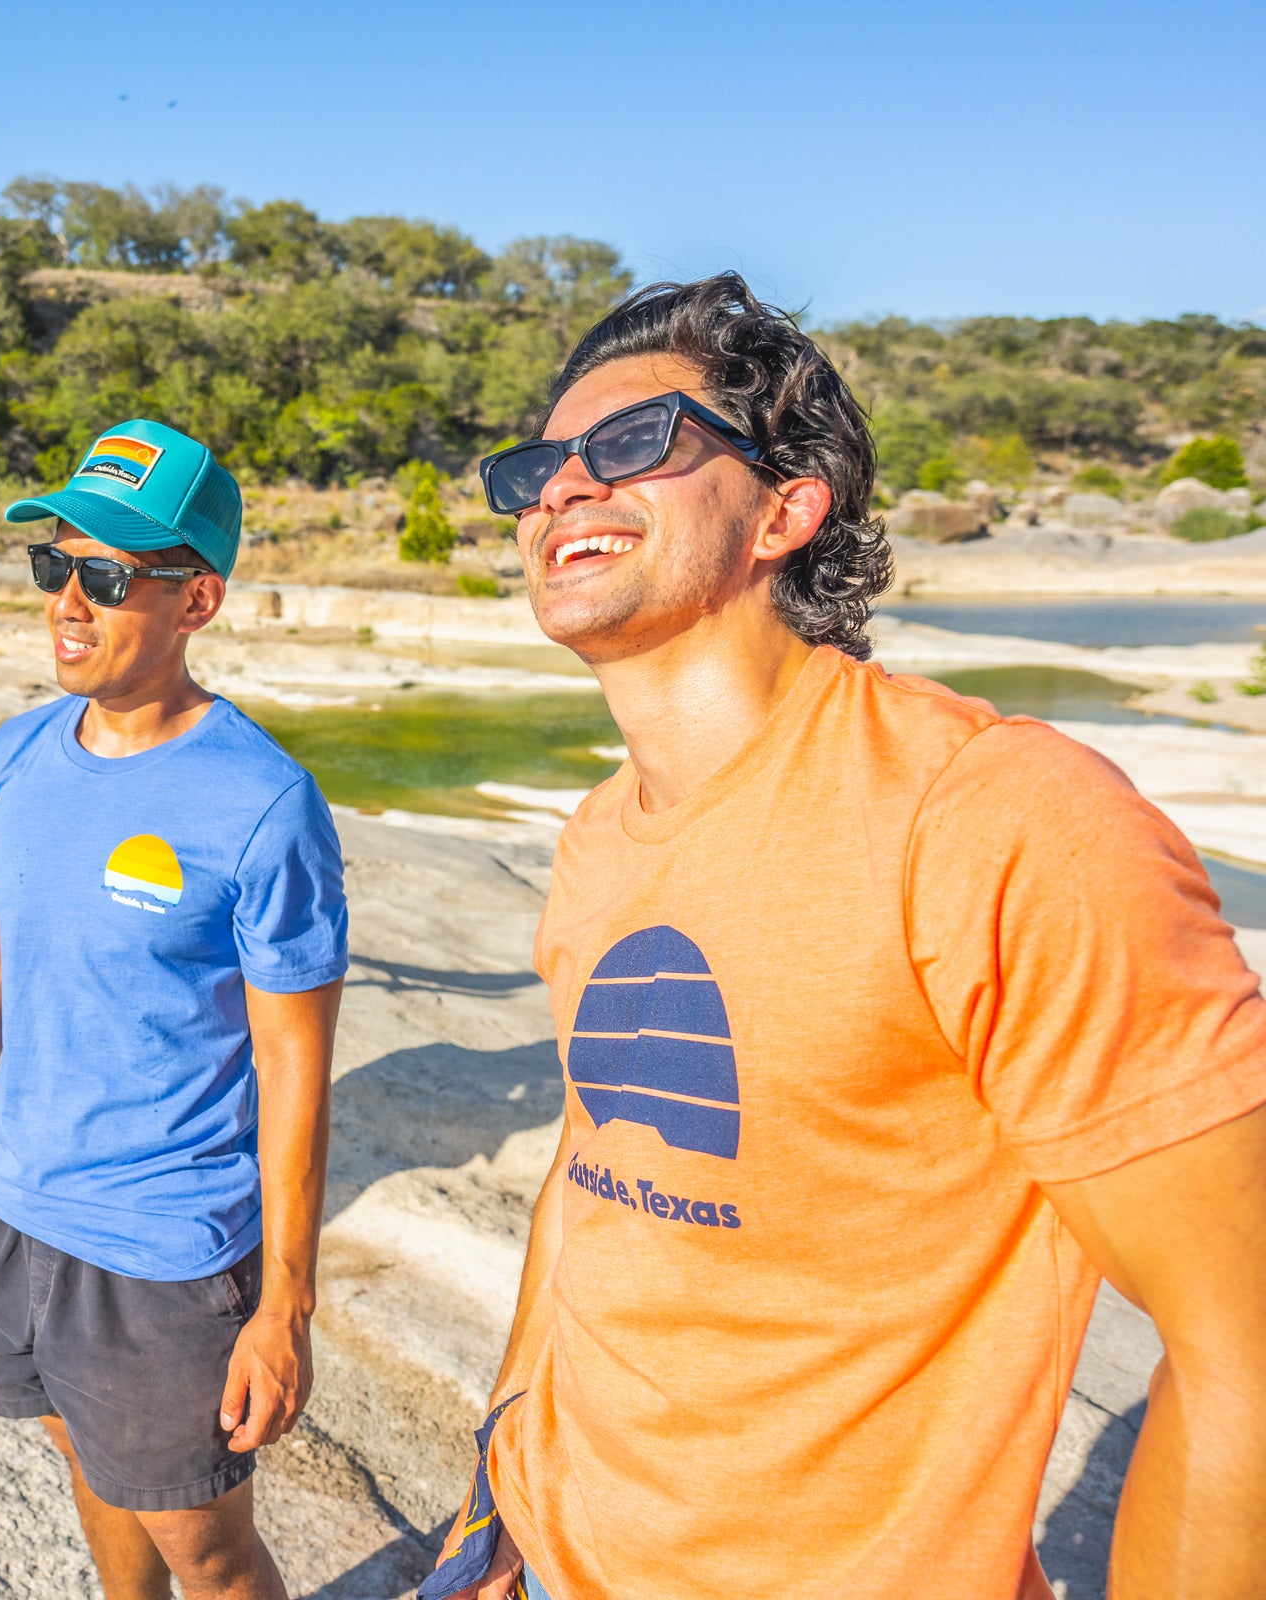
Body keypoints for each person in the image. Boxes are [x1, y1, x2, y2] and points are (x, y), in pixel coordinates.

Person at [425, 275, 1266, 1600]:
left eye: (636, 442)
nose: (564, 488)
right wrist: (497, 1490)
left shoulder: (993, 821)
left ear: (785, 506)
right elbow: (598, 1169)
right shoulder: (599, 835)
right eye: (537, 465)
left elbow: (1245, 1347)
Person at [0, 419, 348, 1600]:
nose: (67, 602)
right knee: (81, 1456)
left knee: (206, 1545)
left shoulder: (263, 805)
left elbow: (296, 1068)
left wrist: (287, 1300)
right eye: (55, 565)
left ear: (197, 599)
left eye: (106, 575)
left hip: (163, 1249)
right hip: (21, 1210)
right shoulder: (18, 756)